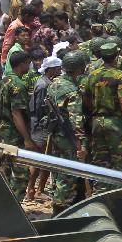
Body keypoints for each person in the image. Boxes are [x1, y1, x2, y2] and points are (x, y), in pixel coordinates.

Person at [83, 42, 122, 179]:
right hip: (115, 123)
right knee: (121, 162)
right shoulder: (120, 76)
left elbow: (86, 100)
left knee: (100, 162)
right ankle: (119, 194)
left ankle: (101, 192)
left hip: (96, 122)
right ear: (116, 56)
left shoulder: (92, 76)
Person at [43, 51, 87, 208]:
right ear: (78, 69)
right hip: (68, 138)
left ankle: (58, 198)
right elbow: (77, 120)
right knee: (68, 173)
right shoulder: (72, 90)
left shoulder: (54, 83)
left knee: (58, 169)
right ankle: (60, 206)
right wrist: (81, 143)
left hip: (56, 134)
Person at [0, 50, 35, 197]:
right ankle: (14, 206)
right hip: (14, 134)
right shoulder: (18, 84)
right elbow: (16, 113)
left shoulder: (4, 80)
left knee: (6, 171)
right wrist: (26, 138)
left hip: (4, 131)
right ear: (22, 64)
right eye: (28, 63)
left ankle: (4, 205)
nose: (30, 66)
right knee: (21, 175)